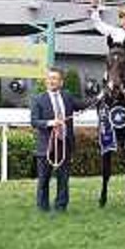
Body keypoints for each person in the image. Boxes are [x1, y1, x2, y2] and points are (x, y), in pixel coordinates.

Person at [31, 67, 89, 213]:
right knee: (44, 179)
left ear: (61, 82)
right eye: (49, 78)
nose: (52, 81)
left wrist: (101, 96)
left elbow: (82, 105)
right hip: (46, 145)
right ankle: (43, 208)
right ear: (46, 81)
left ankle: (61, 206)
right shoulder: (38, 99)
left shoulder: (67, 96)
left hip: (64, 143)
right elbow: (34, 121)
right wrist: (51, 123)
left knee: (63, 178)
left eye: (55, 78)